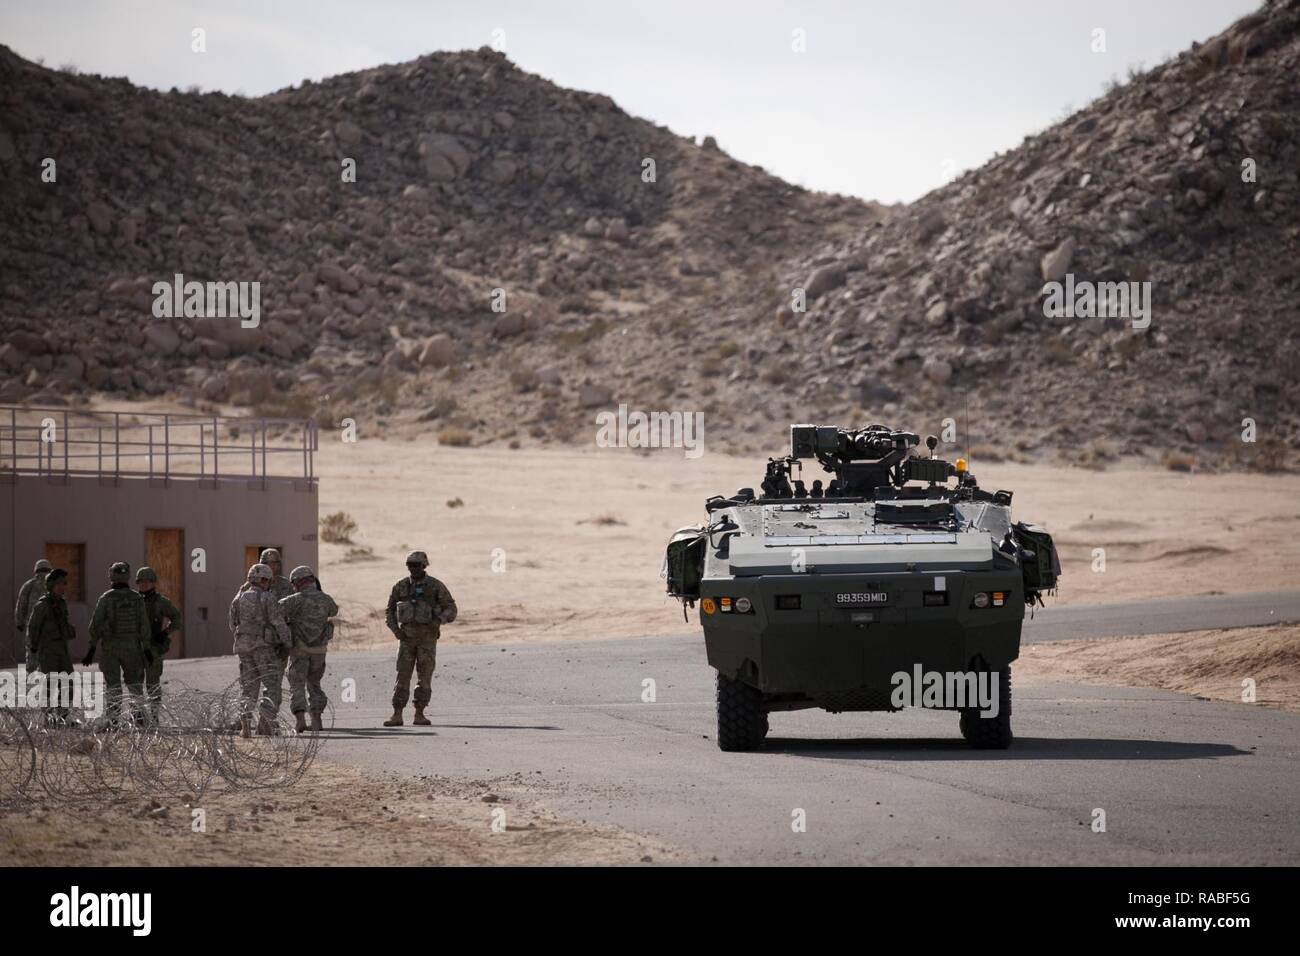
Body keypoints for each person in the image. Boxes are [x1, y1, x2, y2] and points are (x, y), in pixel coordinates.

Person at [383, 550, 457, 727]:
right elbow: (390, 611)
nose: (413, 569)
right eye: (410, 565)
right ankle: (397, 714)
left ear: (424, 566)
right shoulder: (400, 586)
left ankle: (419, 713)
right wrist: (396, 631)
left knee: (424, 677)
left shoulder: (435, 586)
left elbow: (451, 609)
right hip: (406, 639)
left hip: (427, 640)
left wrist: (439, 620)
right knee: (402, 676)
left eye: (416, 565)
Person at [228, 563, 291, 737]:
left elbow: (232, 623)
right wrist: (287, 642)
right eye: (268, 580)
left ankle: (245, 724)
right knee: (272, 685)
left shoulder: (238, 598)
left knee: (249, 687)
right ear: (264, 580)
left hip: (243, 648)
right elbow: (279, 622)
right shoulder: (267, 597)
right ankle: (266, 722)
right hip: (263, 647)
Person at [85, 561, 151, 724]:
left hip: (111, 649)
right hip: (132, 649)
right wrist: (147, 650)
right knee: (135, 684)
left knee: (113, 686)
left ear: (111, 576)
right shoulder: (137, 598)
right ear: (128, 575)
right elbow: (144, 626)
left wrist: (91, 649)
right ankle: (139, 718)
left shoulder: (106, 598)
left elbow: (95, 626)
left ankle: (113, 720)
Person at [279, 565, 337, 734]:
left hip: (300, 650)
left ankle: (300, 721)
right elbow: (333, 610)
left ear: (297, 582)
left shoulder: (295, 599)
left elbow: (276, 609)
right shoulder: (326, 599)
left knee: (297, 685)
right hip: (319, 650)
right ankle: (317, 720)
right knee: (315, 684)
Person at [25, 568, 75, 722]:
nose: (62, 587)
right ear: (51, 585)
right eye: (59, 584)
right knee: (50, 682)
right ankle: (47, 716)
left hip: (62, 648)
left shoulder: (61, 603)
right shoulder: (42, 605)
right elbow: (33, 627)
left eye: (63, 584)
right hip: (47, 650)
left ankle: (62, 714)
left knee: (68, 680)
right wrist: (34, 646)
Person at [135, 567, 182, 721]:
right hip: (135, 648)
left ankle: (154, 715)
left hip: (153, 649)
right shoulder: (133, 600)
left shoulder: (161, 602)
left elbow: (177, 618)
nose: (143, 585)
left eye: (147, 582)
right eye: (140, 582)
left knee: (152, 684)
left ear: (153, 583)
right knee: (134, 684)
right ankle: (138, 715)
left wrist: (165, 633)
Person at [14, 558, 52, 671]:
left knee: (32, 653)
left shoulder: (28, 585)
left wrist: (19, 622)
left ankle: (32, 678)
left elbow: (21, 605)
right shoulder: (55, 585)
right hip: (51, 627)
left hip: (33, 626)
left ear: (36, 570)